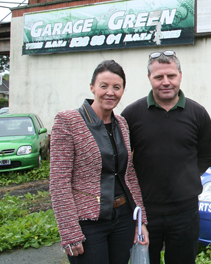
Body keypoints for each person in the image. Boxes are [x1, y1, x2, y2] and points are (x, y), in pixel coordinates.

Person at [121, 51, 211, 264]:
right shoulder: (131, 115)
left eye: (171, 76)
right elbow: (123, 160)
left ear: (180, 76)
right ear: (149, 79)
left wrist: (185, 177)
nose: (166, 82)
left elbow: (207, 155)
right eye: (159, 77)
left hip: (185, 212)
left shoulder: (197, 113)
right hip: (144, 214)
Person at [50, 60, 149, 264]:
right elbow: (59, 181)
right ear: (92, 87)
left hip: (123, 218)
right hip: (88, 223)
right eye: (104, 86)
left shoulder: (121, 123)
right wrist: (69, 231)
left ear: (123, 90)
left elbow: (129, 174)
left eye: (116, 87)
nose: (110, 92)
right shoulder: (68, 121)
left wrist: (141, 222)